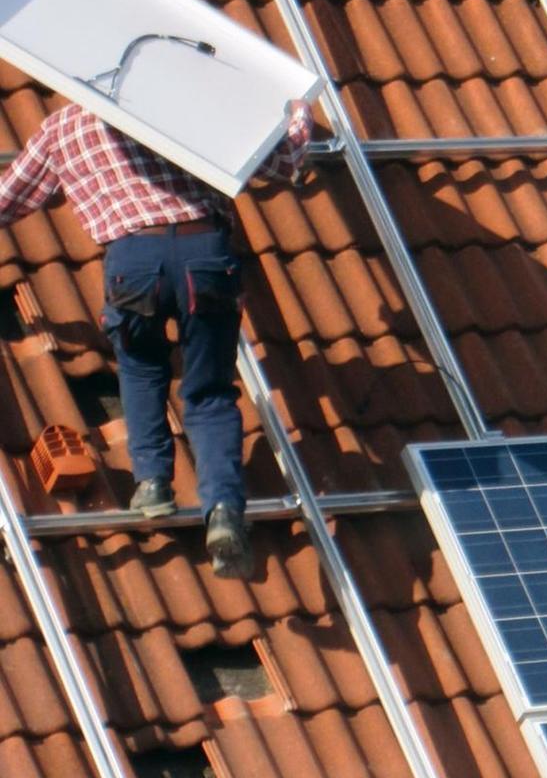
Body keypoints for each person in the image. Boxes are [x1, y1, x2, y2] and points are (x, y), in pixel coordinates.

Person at [0, 98, 313, 578]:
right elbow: (283, 161)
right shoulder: (170, 99)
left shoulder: (64, 125)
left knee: (142, 368)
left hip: (133, 261)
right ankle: (225, 511)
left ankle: (152, 485)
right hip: (203, 251)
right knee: (208, 392)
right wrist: (296, 107)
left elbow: (10, 196)